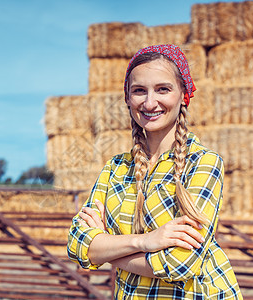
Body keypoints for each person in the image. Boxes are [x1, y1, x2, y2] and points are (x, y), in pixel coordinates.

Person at [67, 44, 242, 299]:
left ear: (183, 94)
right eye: (139, 91)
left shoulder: (204, 163)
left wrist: (107, 251)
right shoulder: (115, 168)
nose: (150, 102)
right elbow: (76, 244)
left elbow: (181, 263)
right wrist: (146, 241)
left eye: (163, 89)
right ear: (127, 98)